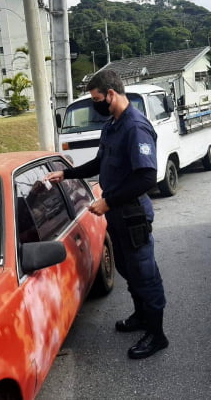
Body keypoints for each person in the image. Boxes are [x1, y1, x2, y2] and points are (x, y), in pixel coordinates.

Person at [44, 70, 168, 359]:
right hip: (117, 215)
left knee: (145, 273)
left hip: (132, 214)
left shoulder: (135, 126)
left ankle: (157, 334)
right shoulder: (112, 125)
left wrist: (108, 202)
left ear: (111, 93)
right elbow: (101, 162)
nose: (96, 104)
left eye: (97, 99)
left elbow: (147, 177)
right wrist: (67, 173)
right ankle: (141, 316)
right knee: (128, 269)